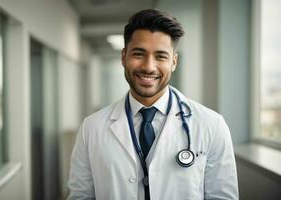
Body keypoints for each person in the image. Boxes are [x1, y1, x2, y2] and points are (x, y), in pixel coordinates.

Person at [68, 9, 238, 200]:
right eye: (139, 54)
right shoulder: (91, 128)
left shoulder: (211, 125)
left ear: (173, 62)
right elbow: (81, 196)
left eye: (161, 56)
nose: (149, 67)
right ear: (123, 57)